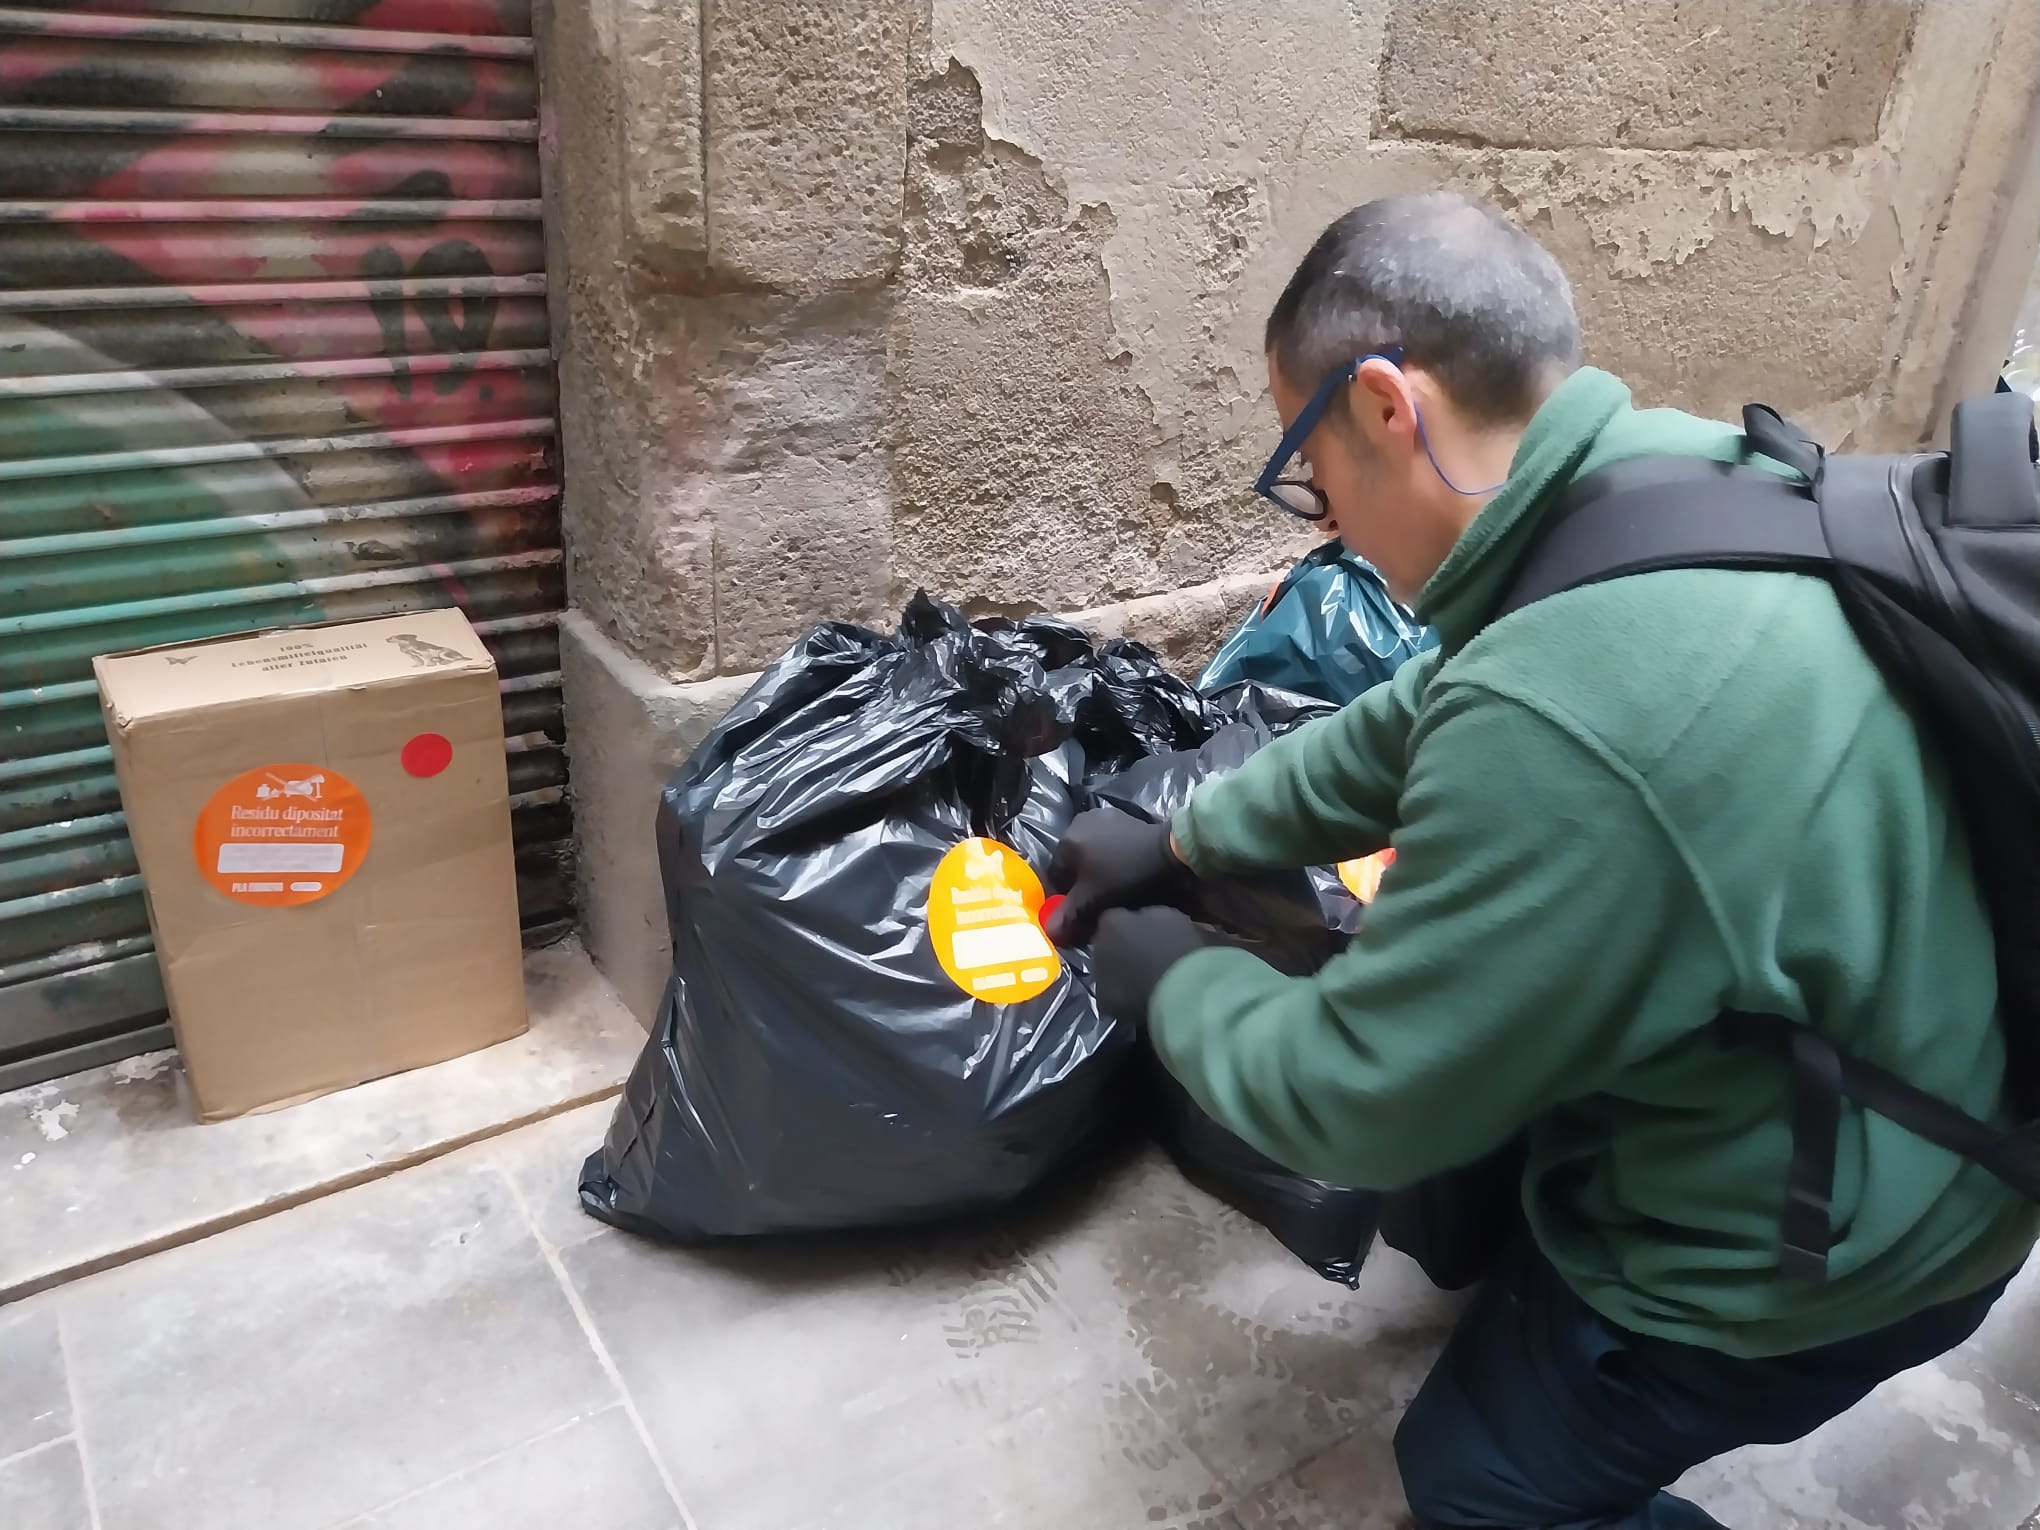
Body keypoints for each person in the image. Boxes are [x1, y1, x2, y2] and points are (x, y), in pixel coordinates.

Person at [1046, 191, 2037, 1530]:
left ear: (1389, 410)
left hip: (1860, 1243)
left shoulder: (1567, 718)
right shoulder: (1672, 470)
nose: (1323, 519)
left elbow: (1363, 1096)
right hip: (1937, 1068)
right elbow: (1426, 715)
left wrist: (1175, 984)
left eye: (1312, 474)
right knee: (1485, 1176)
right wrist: (1184, 836)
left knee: (1474, 1485)